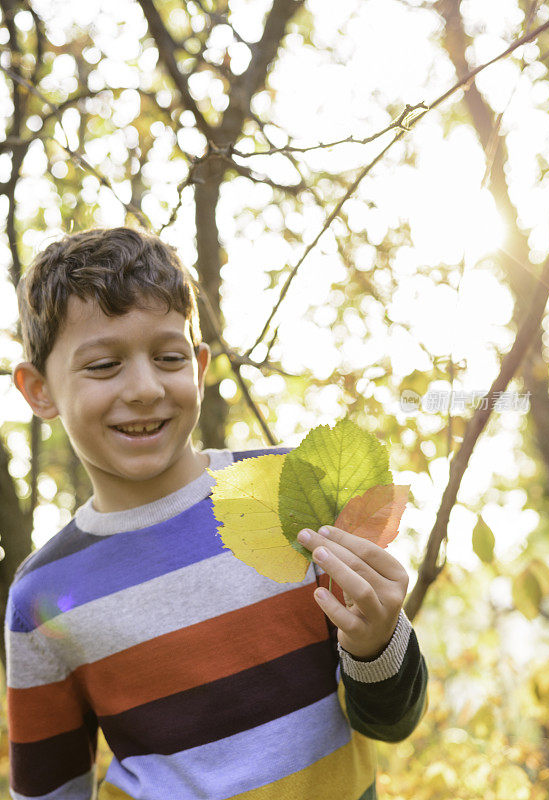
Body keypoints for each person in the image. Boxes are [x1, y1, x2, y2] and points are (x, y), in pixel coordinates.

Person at [6, 226, 428, 800]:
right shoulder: (41, 595)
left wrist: (378, 642)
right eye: (104, 365)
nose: (146, 387)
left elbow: (391, 722)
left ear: (200, 367)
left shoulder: (292, 492)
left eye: (169, 357)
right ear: (39, 391)